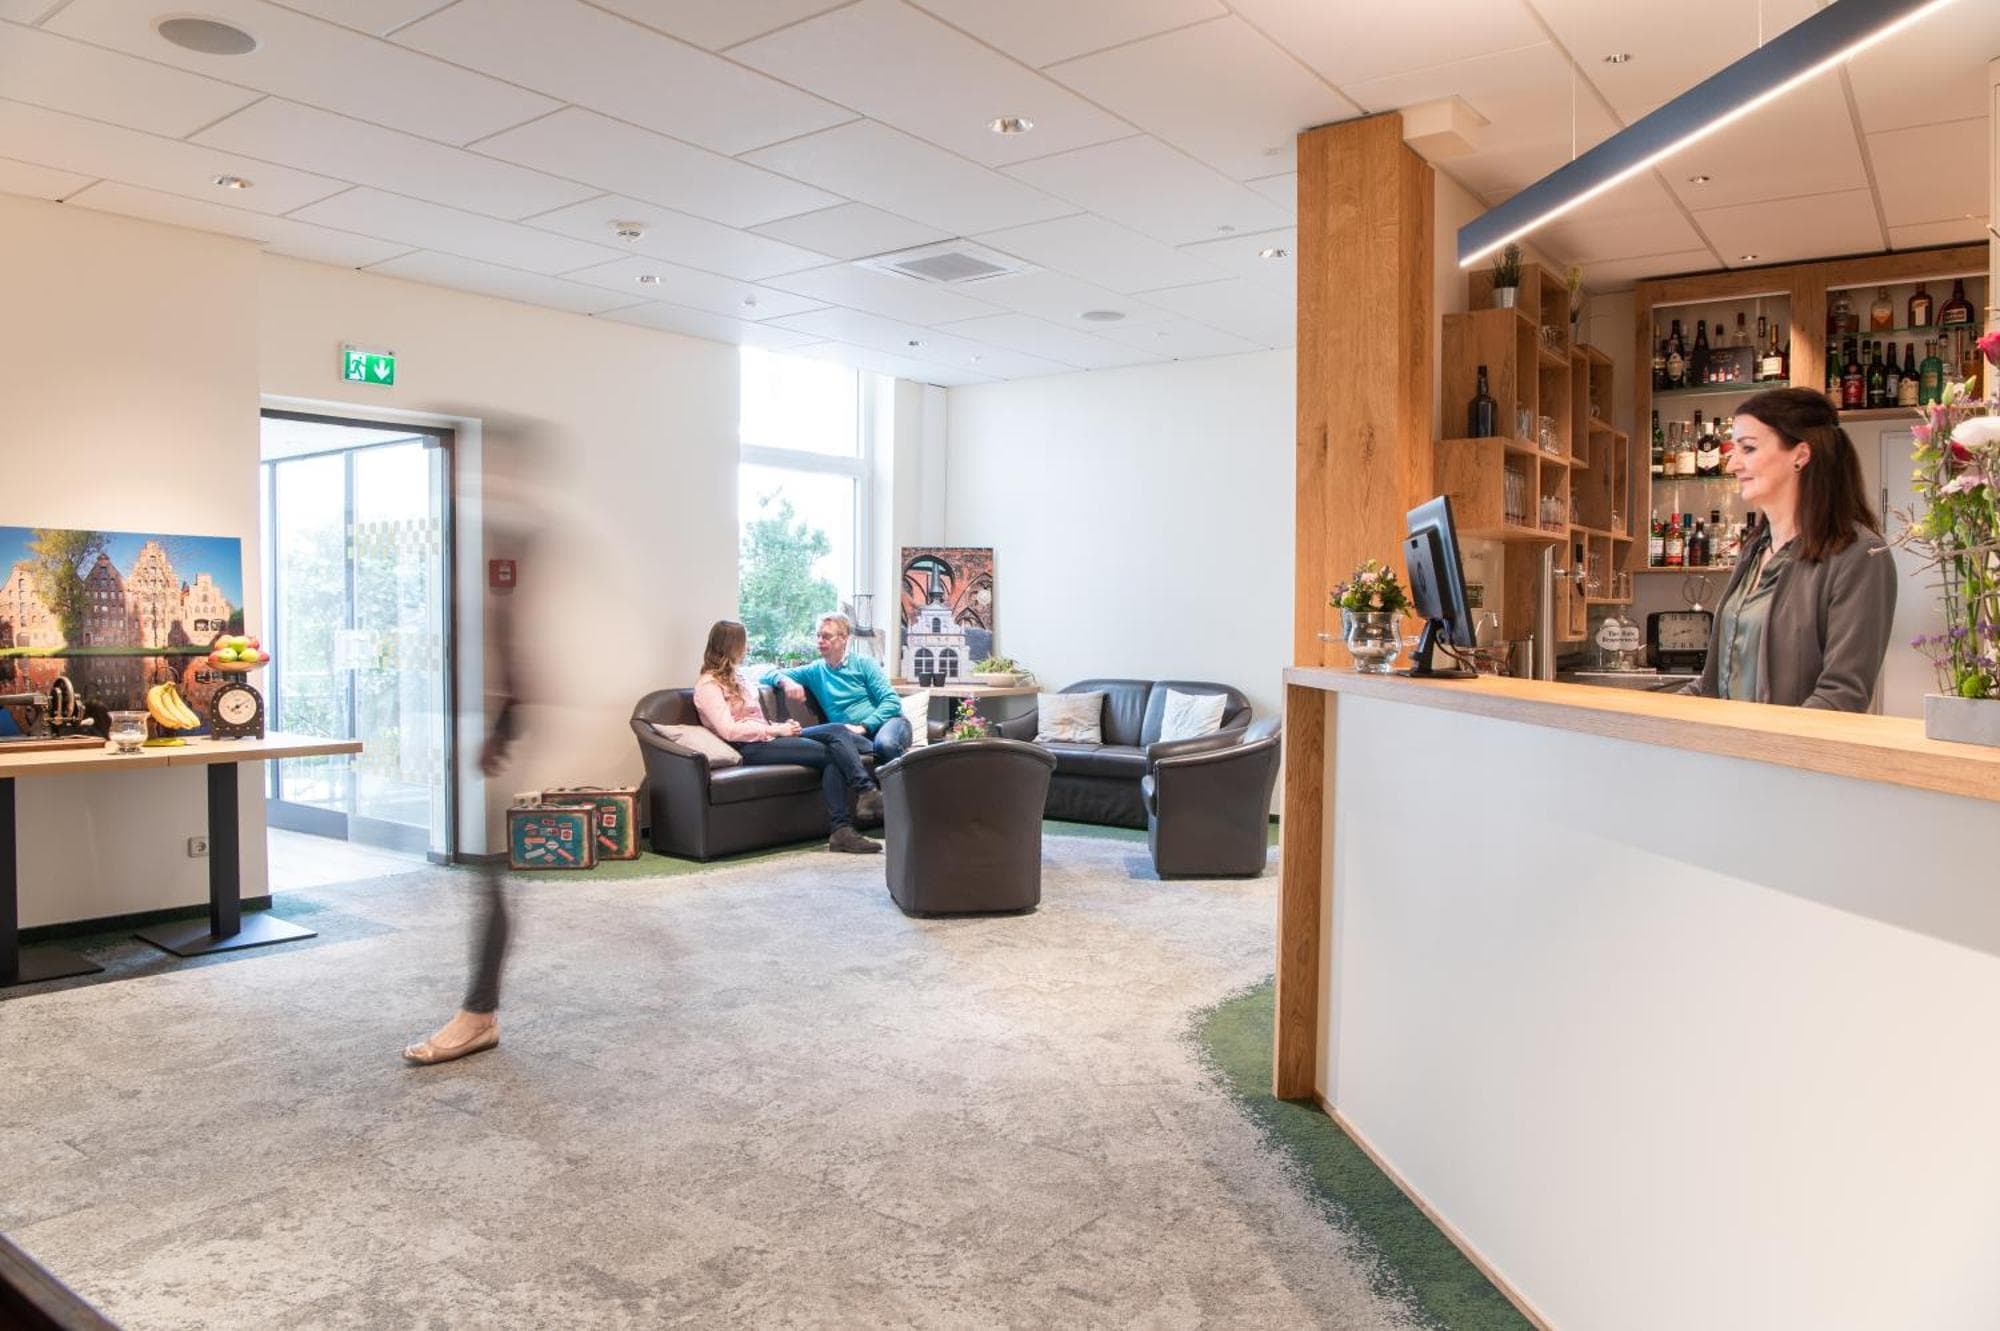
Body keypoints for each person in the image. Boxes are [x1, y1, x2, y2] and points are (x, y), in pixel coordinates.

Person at [1689, 387, 1897, 710]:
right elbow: (1713, 683)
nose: (1732, 465)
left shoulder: (1862, 555)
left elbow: (1840, 696)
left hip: (1785, 745)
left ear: (1800, 455)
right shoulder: (1754, 550)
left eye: (1748, 448)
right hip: (1730, 742)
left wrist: (1764, 740)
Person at [694, 620, 880, 854]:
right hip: (746, 748)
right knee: (834, 754)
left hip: (767, 737)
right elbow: (729, 730)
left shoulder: (738, 678)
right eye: (744, 643)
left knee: (837, 730)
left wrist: (781, 726)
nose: (747, 648)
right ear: (731, 646)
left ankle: (863, 799)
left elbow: (755, 719)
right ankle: (850, 817)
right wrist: (776, 731)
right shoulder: (708, 686)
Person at [777, 613, 911, 781]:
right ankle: (873, 795)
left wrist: (864, 726)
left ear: (844, 638)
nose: (820, 641)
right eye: (818, 636)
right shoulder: (814, 670)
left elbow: (892, 701)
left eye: (826, 636)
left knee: (885, 745)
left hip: (890, 723)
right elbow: (768, 674)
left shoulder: (864, 663)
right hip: (851, 735)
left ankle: (905, 796)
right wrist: (786, 682)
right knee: (834, 752)